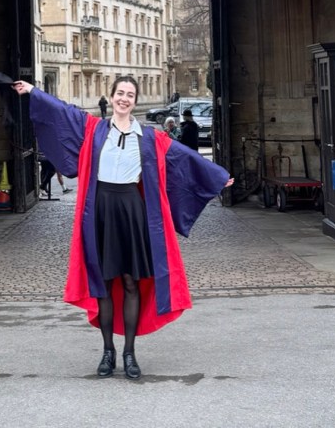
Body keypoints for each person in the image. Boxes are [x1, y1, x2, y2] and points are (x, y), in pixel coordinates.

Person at [12, 74, 231, 380]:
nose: (124, 98)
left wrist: (216, 176)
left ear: (135, 101)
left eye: (130, 94)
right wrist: (33, 91)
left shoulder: (150, 137)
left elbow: (182, 158)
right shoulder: (95, 129)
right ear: (111, 97)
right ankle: (107, 351)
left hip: (131, 209)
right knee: (102, 281)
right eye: (120, 93)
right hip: (100, 209)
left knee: (130, 282)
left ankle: (129, 352)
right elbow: (63, 113)